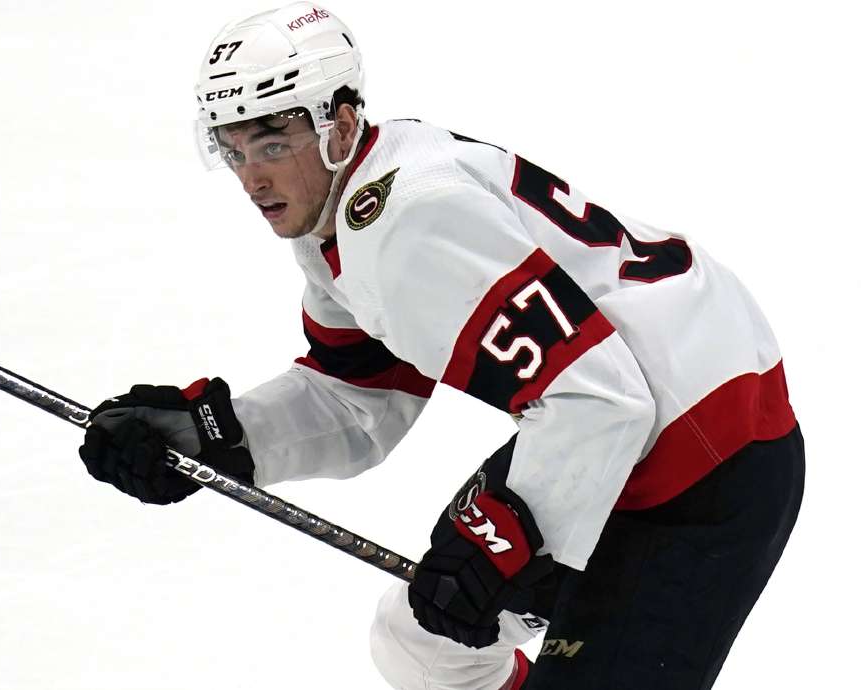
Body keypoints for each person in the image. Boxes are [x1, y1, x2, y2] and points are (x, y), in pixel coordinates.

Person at [76, 4, 804, 689]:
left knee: (465, 617)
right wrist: (217, 436)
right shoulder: (347, 208)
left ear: (340, 125)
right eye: (233, 149)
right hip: (631, 420)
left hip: (705, 460)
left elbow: (601, 398)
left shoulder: (409, 223)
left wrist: (499, 542)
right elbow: (360, 397)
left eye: (273, 143)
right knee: (422, 643)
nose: (252, 177)